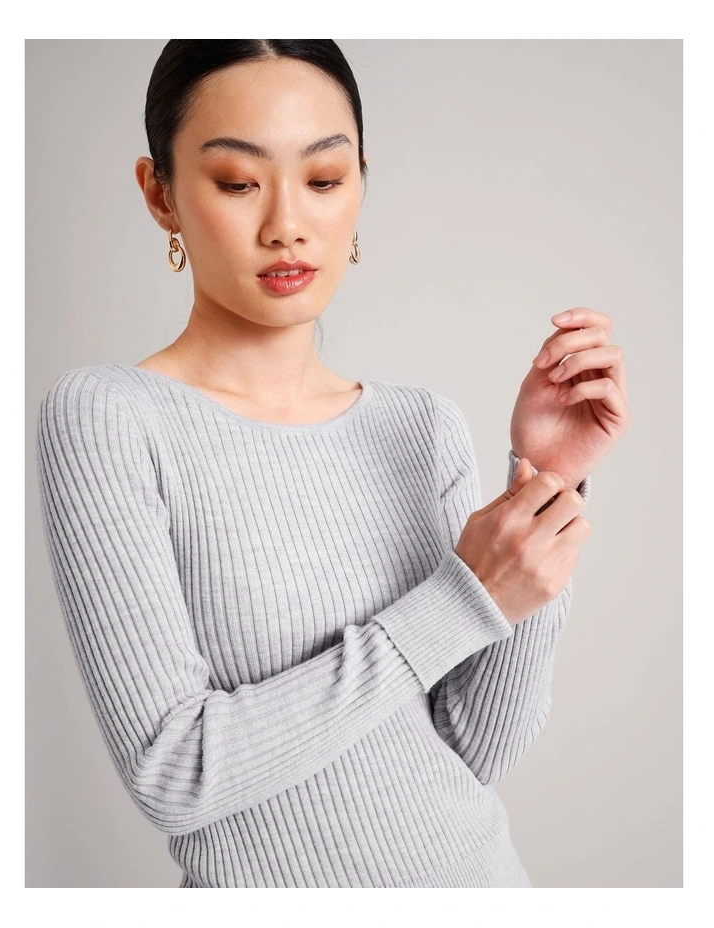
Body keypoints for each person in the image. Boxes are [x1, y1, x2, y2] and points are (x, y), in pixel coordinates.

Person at [34, 40, 631, 889]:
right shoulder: (111, 417)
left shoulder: (421, 427)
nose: (288, 223)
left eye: (323, 179)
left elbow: (472, 748)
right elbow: (175, 771)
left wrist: (544, 483)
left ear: (359, 185)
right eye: (237, 182)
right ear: (159, 193)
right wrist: (460, 599)